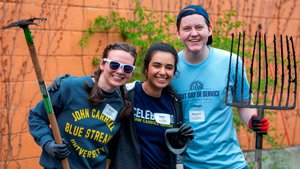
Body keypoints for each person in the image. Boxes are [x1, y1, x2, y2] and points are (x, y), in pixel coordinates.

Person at [171, 5, 270, 169]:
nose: (193, 33)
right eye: (187, 28)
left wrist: (253, 121)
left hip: (230, 163)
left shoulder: (231, 62)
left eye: (199, 27)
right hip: (188, 164)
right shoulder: (171, 67)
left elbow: (243, 104)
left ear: (209, 30)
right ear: (178, 33)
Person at [28, 42, 137, 169]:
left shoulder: (122, 105)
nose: (120, 71)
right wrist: (47, 143)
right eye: (114, 65)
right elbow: (36, 116)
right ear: (102, 64)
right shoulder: (70, 87)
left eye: (127, 68)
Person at [108, 42, 194, 169]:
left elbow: (172, 149)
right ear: (146, 67)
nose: (163, 72)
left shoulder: (174, 102)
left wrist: (180, 140)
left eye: (169, 67)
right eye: (157, 65)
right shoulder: (126, 94)